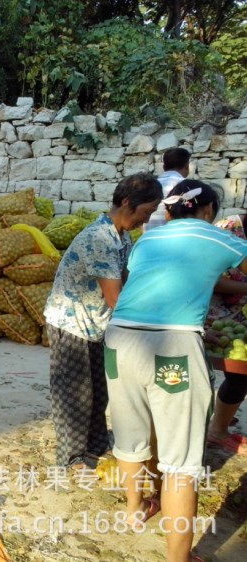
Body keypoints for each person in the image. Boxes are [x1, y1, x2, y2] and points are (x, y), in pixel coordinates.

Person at [104, 180, 247, 562]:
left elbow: (155, 284)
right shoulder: (217, 236)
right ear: (207, 211)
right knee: (181, 462)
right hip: (172, 348)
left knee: (131, 435)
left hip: (119, 340)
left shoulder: (149, 239)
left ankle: (135, 511)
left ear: (170, 210)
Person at [43, 173, 163, 472]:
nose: (144, 220)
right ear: (126, 202)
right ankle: (71, 457)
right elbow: (115, 299)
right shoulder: (99, 238)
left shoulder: (121, 237)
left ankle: (95, 445)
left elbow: (124, 280)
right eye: (145, 213)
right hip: (72, 322)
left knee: (99, 389)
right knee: (75, 392)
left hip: (96, 323)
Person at [204, 213, 247, 455]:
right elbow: (211, 279)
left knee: (240, 373)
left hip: (241, 316)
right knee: (236, 373)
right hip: (216, 316)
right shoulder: (227, 229)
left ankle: (221, 417)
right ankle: (216, 430)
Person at [144, 147, 191, 231]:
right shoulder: (188, 186)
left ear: (164, 167)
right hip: (176, 239)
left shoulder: (148, 185)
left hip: (148, 238)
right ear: (187, 166)